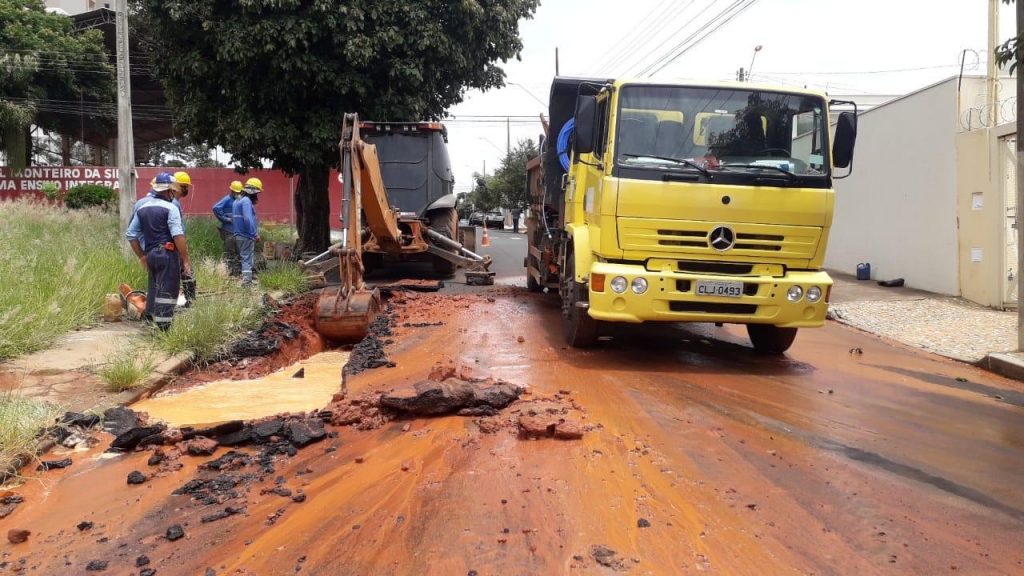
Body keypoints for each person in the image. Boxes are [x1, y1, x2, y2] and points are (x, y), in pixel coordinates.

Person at [125, 172, 192, 331]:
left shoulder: (142, 207)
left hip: (151, 255)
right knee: (168, 292)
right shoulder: (171, 207)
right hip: (166, 254)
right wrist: (185, 260)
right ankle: (163, 330)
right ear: (170, 190)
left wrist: (142, 256)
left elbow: (131, 235)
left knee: (154, 289)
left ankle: (151, 322)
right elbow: (178, 235)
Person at [170, 171, 196, 306]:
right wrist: (182, 252)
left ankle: (186, 300)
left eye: (187, 186)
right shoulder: (173, 203)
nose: (186, 189)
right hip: (174, 245)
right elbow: (176, 231)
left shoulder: (175, 202)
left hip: (176, 245)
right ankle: (189, 301)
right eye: (184, 186)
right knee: (187, 271)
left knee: (184, 273)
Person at [232, 177, 262, 286]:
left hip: (238, 234)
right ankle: (247, 283)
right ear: (253, 192)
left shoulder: (237, 200)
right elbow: (248, 219)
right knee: (247, 259)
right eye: (257, 193)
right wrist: (255, 234)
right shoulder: (246, 201)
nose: (257, 196)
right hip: (246, 235)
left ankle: (247, 280)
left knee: (245, 257)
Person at [213, 180, 243, 276]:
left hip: (238, 231)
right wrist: (225, 219)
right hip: (228, 230)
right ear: (232, 191)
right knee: (229, 252)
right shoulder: (227, 199)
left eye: (239, 192)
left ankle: (237, 272)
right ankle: (229, 272)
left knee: (239, 252)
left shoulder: (239, 200)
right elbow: (216, 208)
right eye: (236, 192)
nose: (237, 194)